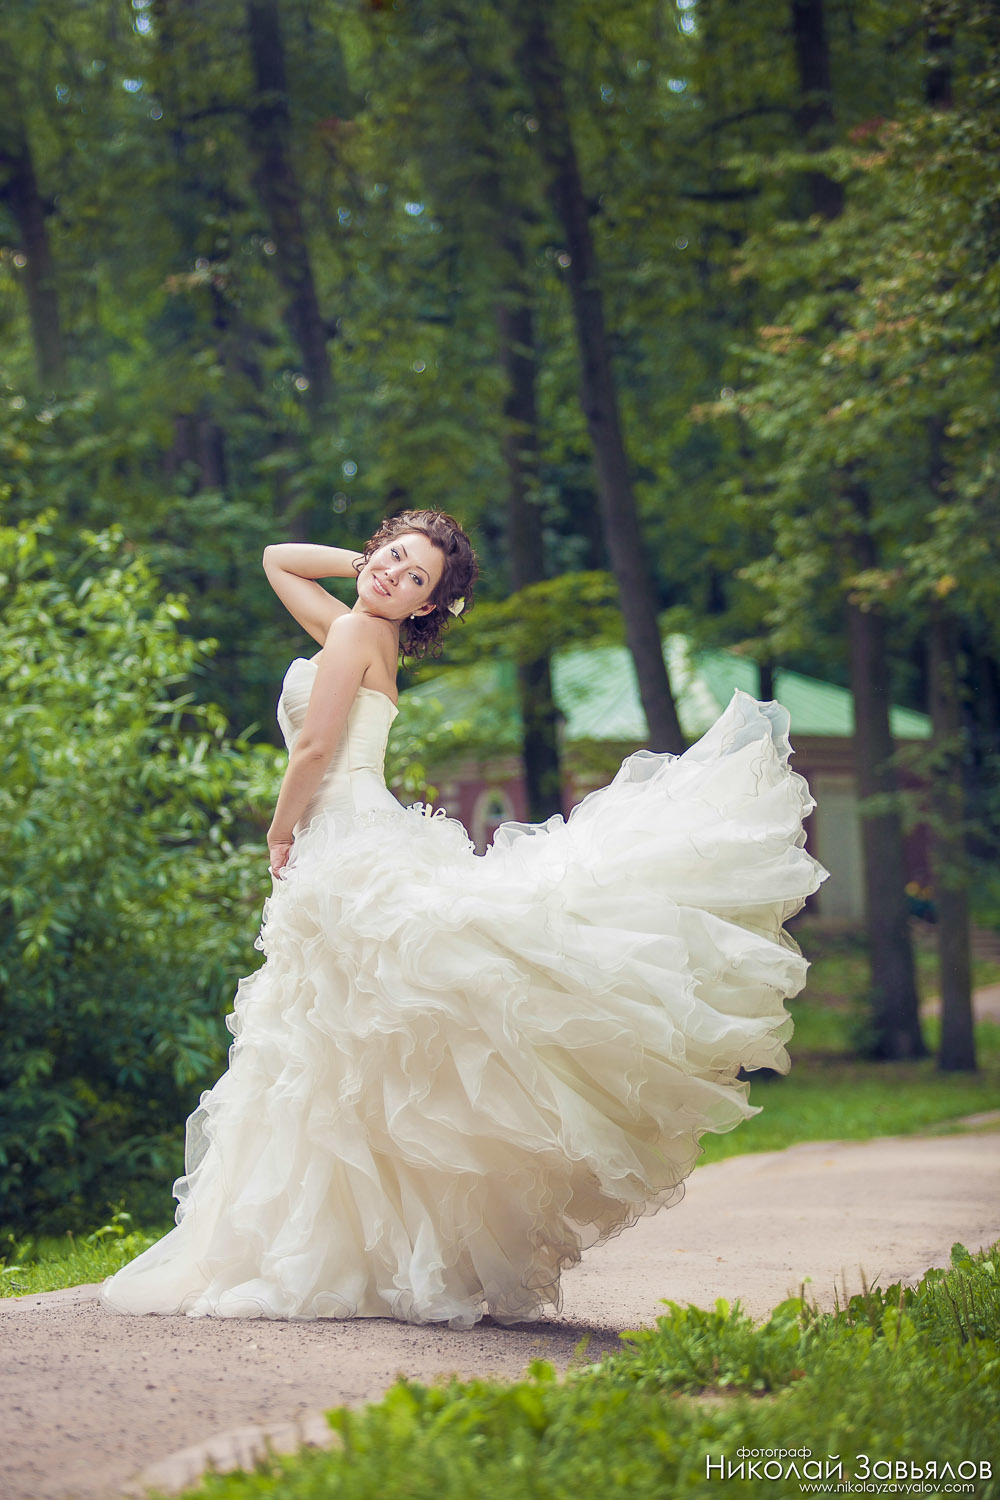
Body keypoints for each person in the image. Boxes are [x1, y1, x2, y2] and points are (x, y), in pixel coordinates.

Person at [101, 508, 827, 1329]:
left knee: (340, 1046)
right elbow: (278, 559)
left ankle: (344, 1253)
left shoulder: (353, 635)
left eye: (416, 578)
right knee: (349, 1050)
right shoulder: (359, 628)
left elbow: (312, 752)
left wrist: (277, 832)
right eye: (391, 556)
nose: (391, 574)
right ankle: (364, 1254)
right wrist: (371, 566)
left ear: (425, 608)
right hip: (355, 837)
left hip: (343, 842)